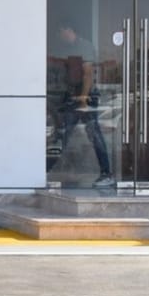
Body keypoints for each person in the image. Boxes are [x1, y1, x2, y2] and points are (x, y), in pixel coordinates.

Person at [47, 18, 115, 187]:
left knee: (92, 134)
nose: (59, 36)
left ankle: (107, 174)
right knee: (63, 134)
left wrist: (84, 98)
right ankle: (44, 171)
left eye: (60, 32)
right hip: (72, 98)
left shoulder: (83, 46)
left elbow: (88, 74)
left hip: (85, 98)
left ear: (68, 30)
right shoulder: (66, 48)